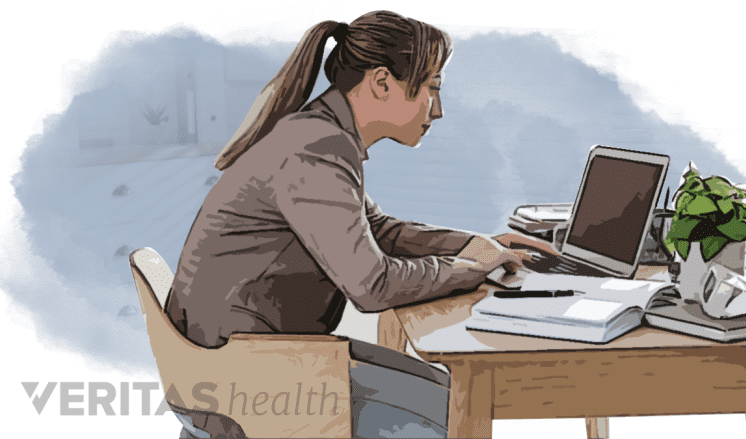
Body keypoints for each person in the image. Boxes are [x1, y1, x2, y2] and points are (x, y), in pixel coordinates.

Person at [166, 10, 553, 438]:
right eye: (431, 88)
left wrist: (474, 244)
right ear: (382, 82)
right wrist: (472, 270)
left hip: (241, 361)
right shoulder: (316, 148)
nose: (437, 109)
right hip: (246, 381)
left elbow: (381, 231)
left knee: (458, 392)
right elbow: (373, 286)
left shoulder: (321, 135)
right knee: (463, 410)